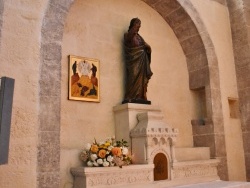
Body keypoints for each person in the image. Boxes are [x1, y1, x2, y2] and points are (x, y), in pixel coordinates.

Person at [123, 18, 153, 104]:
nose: (138, 26)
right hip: (133, 61)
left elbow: (146, 46)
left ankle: (141, 96)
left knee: (142, 79)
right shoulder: (127, 35)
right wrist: (133, 30)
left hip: (142, 61)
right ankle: (131, 96)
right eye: (137, 24)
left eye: (139, 25)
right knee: (133, 76)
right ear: (132, 25)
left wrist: (148, 49)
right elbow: (129, 39)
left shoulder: (139, 37)